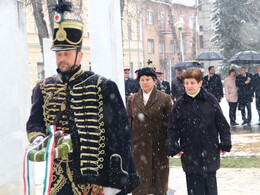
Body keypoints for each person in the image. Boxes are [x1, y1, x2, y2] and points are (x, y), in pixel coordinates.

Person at [26, 1, 139, 194]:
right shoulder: (43, 88)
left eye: (67, 54)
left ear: (79, 56)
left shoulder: (103, 86)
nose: (62, 59)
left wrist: (115, 174)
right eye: (59, 54)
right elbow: (34, 123)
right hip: (56, 175)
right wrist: (40, 140)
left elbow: (119, 133)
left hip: (93, 175)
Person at [168, 67, 232, 195]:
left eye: (192, 83)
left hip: (209, 151)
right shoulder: (180, 104)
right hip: (190, 153)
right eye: (186, 83)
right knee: (194, 189)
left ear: (200, 83)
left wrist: (225, 142)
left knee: (210, 189)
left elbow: (222, 124)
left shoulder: (210, 99)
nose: (189, 86)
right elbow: (172, 128)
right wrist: (174, 146)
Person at [127, 67, 172, 195]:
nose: (144, 82)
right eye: (142, 80)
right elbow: (128, 123)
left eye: (147, 79)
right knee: (139, 186)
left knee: (159, 184)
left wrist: (169, 143)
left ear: (154, 81)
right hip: (138, 147)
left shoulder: (164, 98)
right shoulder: (132, 99)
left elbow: (170, 123)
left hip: (158, 147)